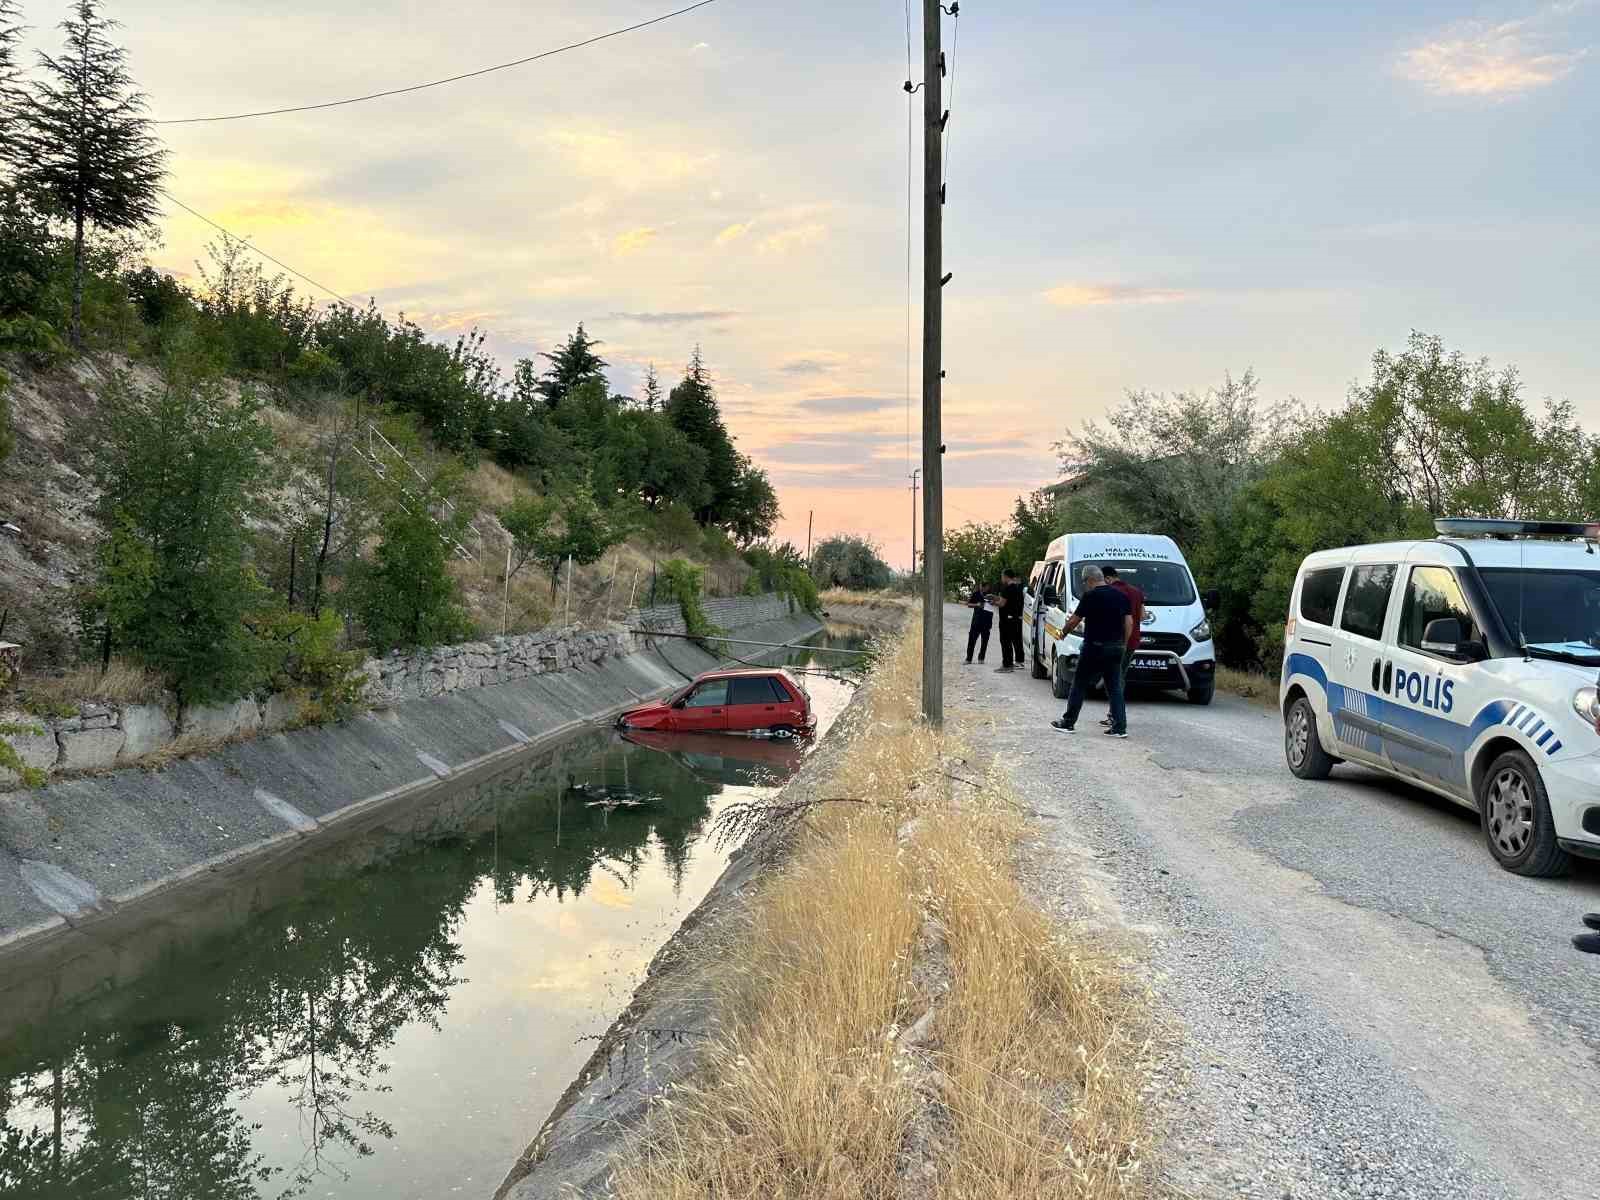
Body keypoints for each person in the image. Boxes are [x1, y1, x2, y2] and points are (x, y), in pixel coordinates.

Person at [1050, 565, 1133, 737]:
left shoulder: (1090, 596)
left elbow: (1074, 620)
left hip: (1094, 647)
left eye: (1084, 582)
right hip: (1116, 647)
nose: (1084, 585)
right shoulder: (1122, 596)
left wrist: (1062, 633)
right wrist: (1123, 644)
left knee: (1079, 684)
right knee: (1115, 687)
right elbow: (1129, 623)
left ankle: (1068, 723)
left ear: (1089, 580)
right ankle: (1119, 728)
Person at [1101, 567, 1145, 727]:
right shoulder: (1137, 591)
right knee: (1120, 676)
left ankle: (1116, 716)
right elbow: (1143, 615)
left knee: (1114, 679)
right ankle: (1114, 714)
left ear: (1106, 578)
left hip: (1116, 641)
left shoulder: (1110, 591)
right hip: (1133, 641)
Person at [995, 568, 1026, 672]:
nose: (1001, 579)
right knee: (1016, 640)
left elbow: (1002, 603)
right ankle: (1017, 662)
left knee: (1005, 641)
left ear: (1006, 576)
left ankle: (1007, 665)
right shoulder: (1018, 588)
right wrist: (996, 598)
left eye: (1002, 576)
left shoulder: (1007, 588)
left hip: (1006, 620)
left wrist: (992, 602)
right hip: (1017, 619)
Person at [963, 579, 992, 664]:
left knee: (984, 642)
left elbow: (996, 603)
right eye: (984, 587)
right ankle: (968, 659)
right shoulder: (976, 594)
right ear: (981, 586)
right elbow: (968, 604)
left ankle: (981, 658)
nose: (986, 588)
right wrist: (977, 604)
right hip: (976, 621)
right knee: (971, 640)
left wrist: (993, 602)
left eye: (987, 587)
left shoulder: (991, 595)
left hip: (987, 622)